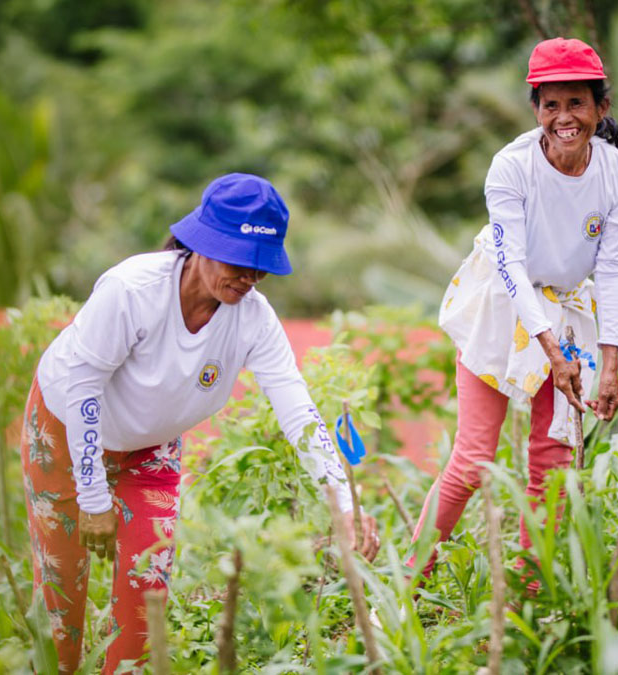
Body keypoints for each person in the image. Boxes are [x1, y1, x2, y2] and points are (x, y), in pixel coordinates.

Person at [20, 173, 380, 673]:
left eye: (262, 268)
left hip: (151, 450)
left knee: (147, 596)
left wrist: (342, 501)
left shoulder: (253, 319)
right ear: (202, 244)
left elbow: (297, 410)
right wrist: (93, 497)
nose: (250, 278)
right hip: (64, 433)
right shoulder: (133, 290)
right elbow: (83, 387)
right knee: (63, 596)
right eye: (240, 262)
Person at [408, 38, 618, 580]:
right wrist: (550, 351)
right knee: (472, 462)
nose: (565, 118)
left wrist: (608, 362)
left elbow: (611, 269)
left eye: (577, 103)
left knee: (553, 464)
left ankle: (529, 597)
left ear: (601, 108)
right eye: (551, 105)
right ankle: (405, 586)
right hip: (501, 303)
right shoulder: (510, 167)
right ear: (535, 109)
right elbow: (511, 263)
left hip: (569, 308)